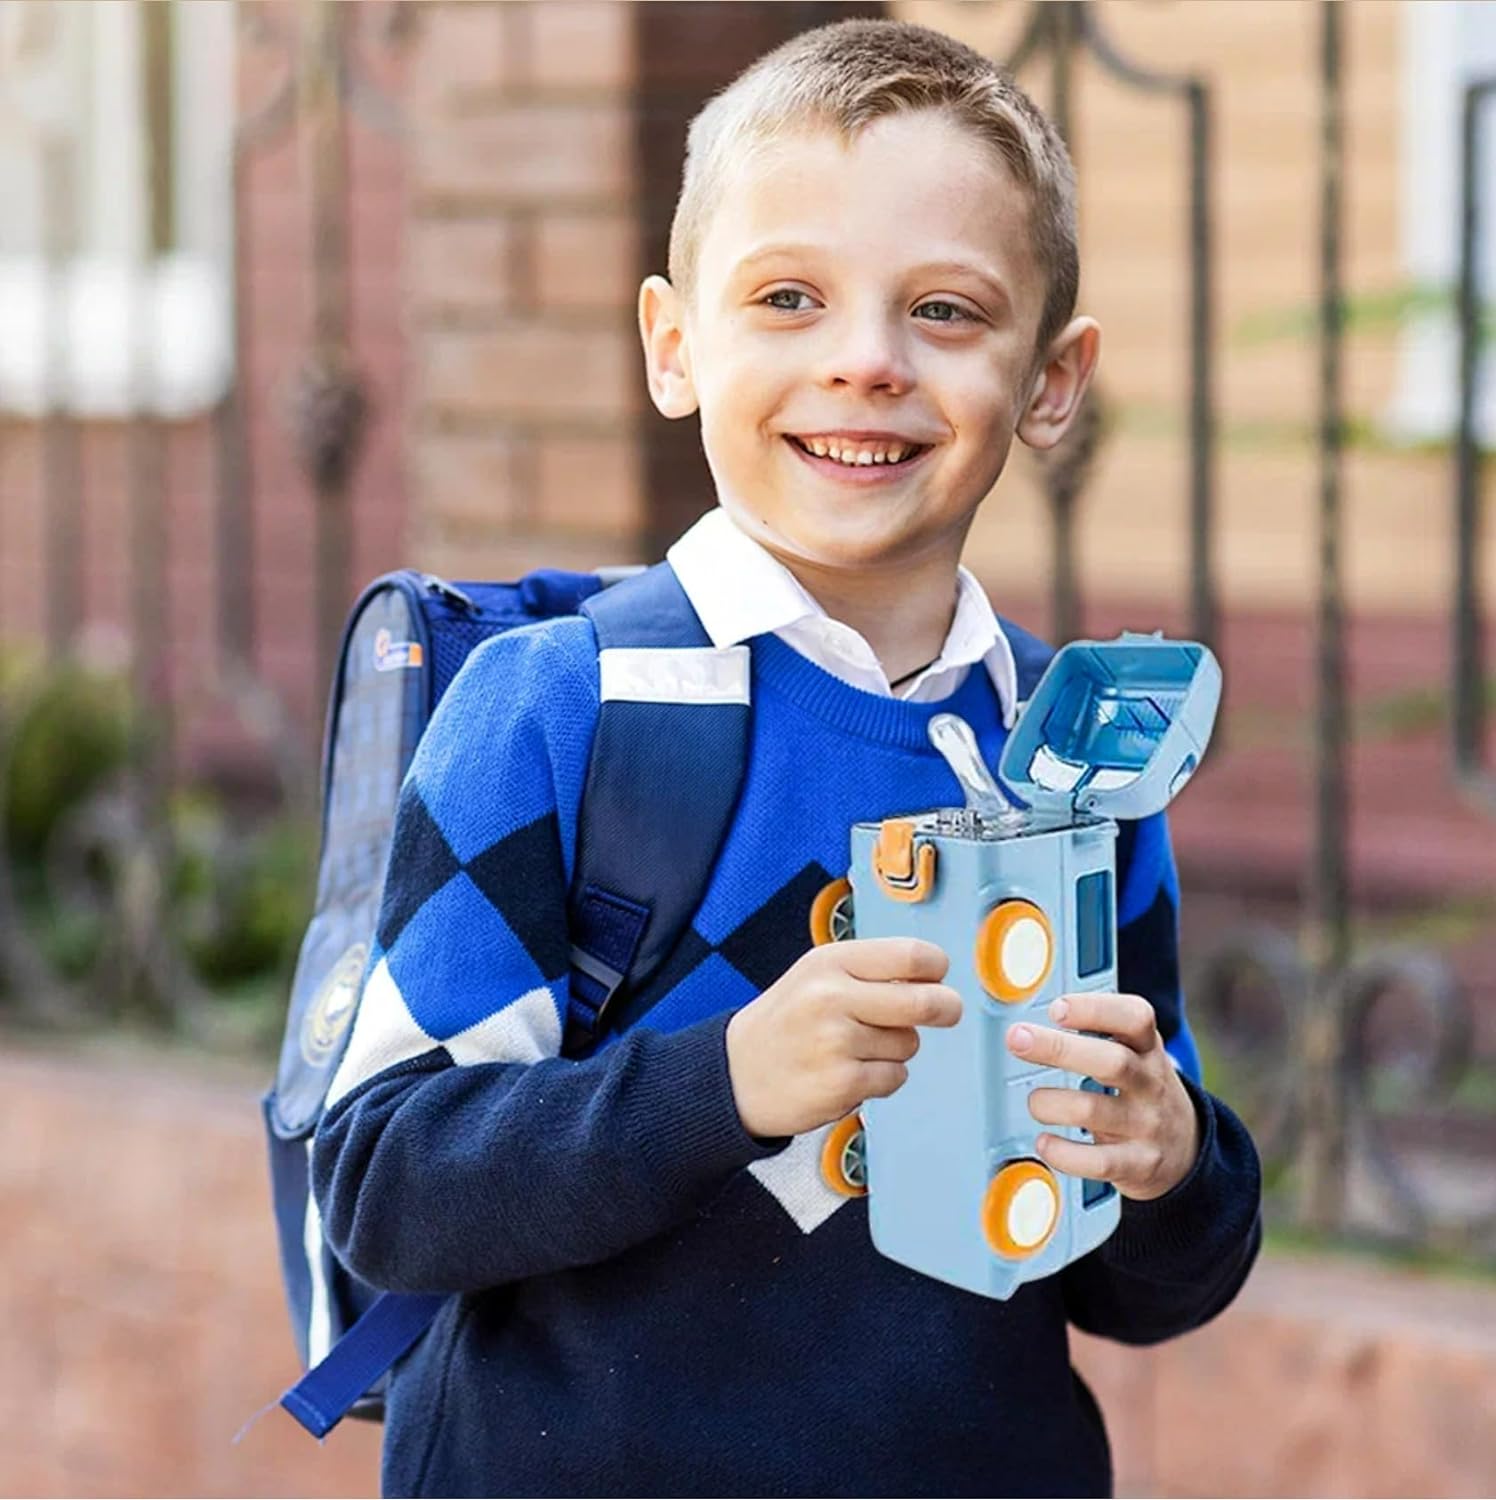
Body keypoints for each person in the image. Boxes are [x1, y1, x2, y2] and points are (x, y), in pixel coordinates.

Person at [312, 18, 1261, 1497]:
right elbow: (387, 1184)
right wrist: (731, 1080)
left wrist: (1167, 1158)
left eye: (945, 311)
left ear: (1052, 383)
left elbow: (1150, 1292)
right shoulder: (557, 710)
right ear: (675, 345)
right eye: (789, 298)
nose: (866, 362)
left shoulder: (1071, 761)